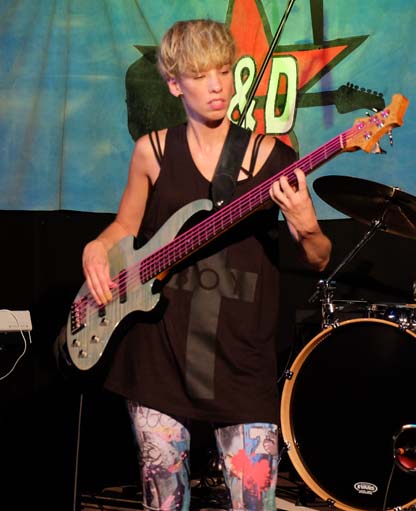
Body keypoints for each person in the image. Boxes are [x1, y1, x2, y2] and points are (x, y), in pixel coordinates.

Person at [80, 20, 332, 511]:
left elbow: (319, 257)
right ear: (175, 84)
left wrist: (305, 225)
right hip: (159, 351)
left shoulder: (273, 155)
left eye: (223, 71)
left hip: (242, 357)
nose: (217, 85)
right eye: (200, 76)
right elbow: (124, 227)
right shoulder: (152, 151)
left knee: (253, 503)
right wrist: (97, 246)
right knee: (164, 503)